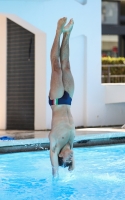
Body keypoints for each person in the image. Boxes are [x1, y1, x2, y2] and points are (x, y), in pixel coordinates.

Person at [48, 17, 75, 177]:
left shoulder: (55, 145)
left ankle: (58, 31)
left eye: (67, 160)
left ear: (59, 156)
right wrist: (71, 166)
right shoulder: (71, 143)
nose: (71, 158)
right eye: (72, 160)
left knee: (56, 66)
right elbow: (72, 164)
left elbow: (55, 168)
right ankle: (68, 33)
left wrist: (56, 172)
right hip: (69, 100)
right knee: (66, 64)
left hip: (57, 100)